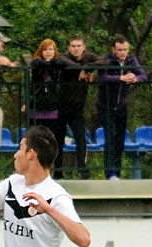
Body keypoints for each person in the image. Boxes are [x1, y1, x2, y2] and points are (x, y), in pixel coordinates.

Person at [96, 35, 147, 180]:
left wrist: (135, 78)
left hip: (121, 106)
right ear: (113, 50)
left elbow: (143, 75)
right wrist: (121, 78)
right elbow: (103, 77)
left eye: (125, 49)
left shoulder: (132, 60)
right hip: (105, 105)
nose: (123, 53)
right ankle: (109, 172)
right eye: (120, 50)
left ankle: (116, 172)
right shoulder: (107, 60)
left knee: (119, 139)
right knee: (110, 136)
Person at [57, 35, 107, 179]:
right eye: (73, 46)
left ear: (83, 48)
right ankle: (58, 171)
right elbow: (63, 62)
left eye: (79, 46)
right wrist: (80, 70)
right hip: (61, 106)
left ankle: (82, 169)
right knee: (59, 139)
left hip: (77, 108)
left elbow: (104, 61)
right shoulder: (65, 57)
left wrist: (87, 68)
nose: (76, 49)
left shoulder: (88, 57)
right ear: (69, 48)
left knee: (81, 138)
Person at [28, 39, 67, 178]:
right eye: (45, 50)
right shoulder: (37, 63)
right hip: (37, 107)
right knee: (36, 139)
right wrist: (49, 64)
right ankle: (35, 170)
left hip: (53, 107)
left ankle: (58, 171)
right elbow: (36, 63)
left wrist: (52, 63)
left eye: (51, 49)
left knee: (55, 140)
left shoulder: (58, 63)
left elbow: (63, 63)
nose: (48, 52)